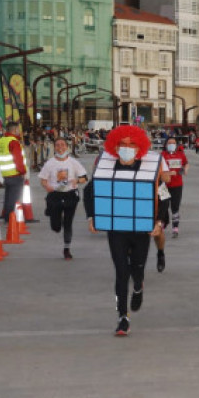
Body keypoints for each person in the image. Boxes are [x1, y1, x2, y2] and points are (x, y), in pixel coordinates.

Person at [85, 125, 167, 336]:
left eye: (132, 144)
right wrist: (91, 216)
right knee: (121, 272)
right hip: (117, 229)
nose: (127, 147)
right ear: (115, 146)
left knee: (136, 269)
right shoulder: (106, 168)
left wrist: (159, 223)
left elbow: (164, 198)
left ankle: (138, 285)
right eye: (123, 144)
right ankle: (122, 316)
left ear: (139, 147)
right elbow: (89, 191)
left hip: (142, 230)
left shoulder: (149, 169)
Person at [38, 137, 88, 259]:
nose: (60, 148)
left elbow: (84, 178)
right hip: (55, 194)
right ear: (54, 148)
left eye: (63, 145)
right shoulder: (50, 163)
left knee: (68, 222)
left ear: (67, 147)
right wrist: (47, 186)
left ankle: (67, 248)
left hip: (70, 194)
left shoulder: (73, 162)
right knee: (56, 227)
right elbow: (43, 180)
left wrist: (76, 180)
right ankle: (54, 215)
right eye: (58, 145)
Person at [0, 121, 28, 221]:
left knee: (8, 197)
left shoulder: (0, 141)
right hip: (15, 173)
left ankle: (7, 216)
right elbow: (18, 159)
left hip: (5, 173)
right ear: (14, 130)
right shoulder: (13, 142)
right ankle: (11, 218)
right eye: (18, 129)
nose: (19, 131)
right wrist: (23, 171)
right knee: (14, 198)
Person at [162, 136, 189, 240]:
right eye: (169, 143)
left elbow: (185, 164)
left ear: (176, 145)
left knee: (175, 207)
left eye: (173, 143)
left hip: (177, 185)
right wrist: (168, 173)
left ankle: (175, 228)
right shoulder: (162, 155)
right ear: (166, 144)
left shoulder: (180, 154)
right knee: (163, 207)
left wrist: (185, 170)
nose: (171, 145)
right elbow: (159, 170)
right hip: (163, 186)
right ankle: (165, 221)